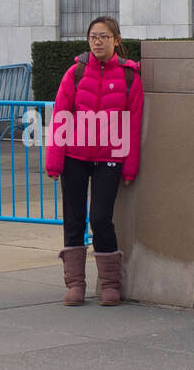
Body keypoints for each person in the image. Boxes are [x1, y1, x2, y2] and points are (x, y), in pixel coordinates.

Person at [44, 16, 143, 306]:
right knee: (73, 219)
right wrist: (54, 161)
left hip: (109, 159)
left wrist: (130, 166)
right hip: (75, 157)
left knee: (101, 219)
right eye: (93, 37)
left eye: (103, 37)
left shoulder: (129, 77)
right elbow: (61, 115)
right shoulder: (75, 72)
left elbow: (133, 126)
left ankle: (111, 284)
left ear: (117, 40)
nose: (97, 42)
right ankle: (75, 284)